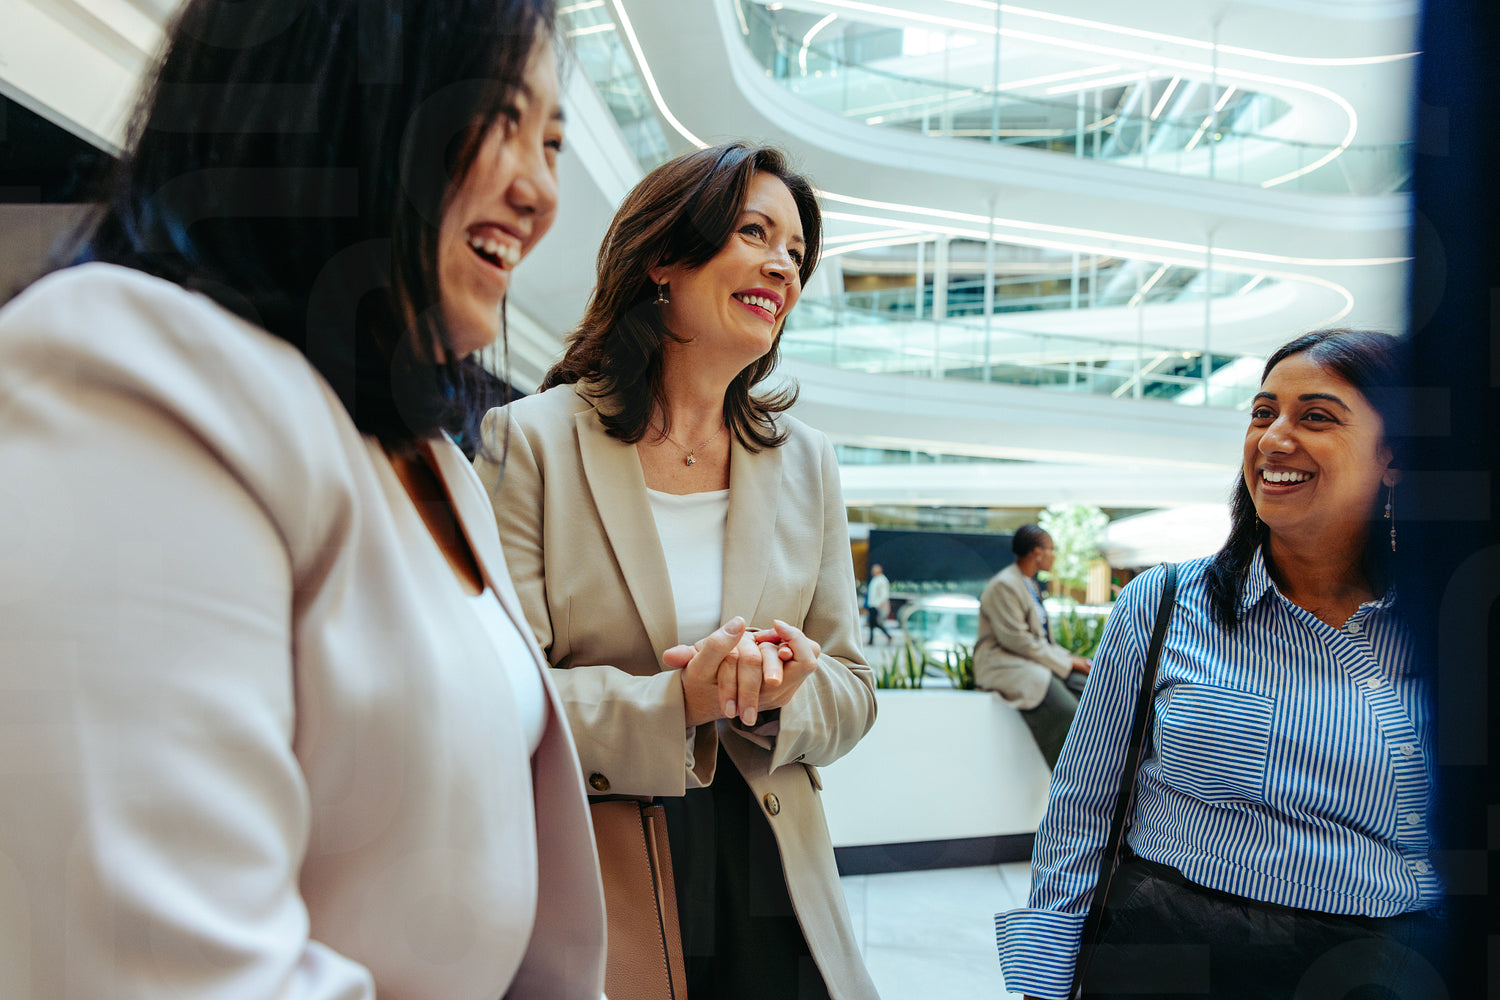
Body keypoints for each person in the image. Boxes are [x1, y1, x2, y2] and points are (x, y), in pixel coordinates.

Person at [0, 2, 609, 997]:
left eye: (552, 141)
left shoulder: (432, 464)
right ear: (343, 94)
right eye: (501, 114)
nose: (541, 192)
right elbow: (166, 967)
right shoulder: (137, 372)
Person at [475, 142, 880, 1000]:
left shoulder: (808, 462)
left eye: (796, 251)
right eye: (754, 232)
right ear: (664, 257)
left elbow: (853, 688)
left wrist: (784, 694)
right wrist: (680, 703)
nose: (783, 265)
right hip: (604, 868)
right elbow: (493, 696)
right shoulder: (531, 441)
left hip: (775, 875)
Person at [997, 330, 1448, 1000]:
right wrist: (1048, 978)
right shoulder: (1164, 602)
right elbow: (1083, 803)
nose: (1273, 439)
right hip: (1164, 955)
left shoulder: (1443, 629)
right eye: (1263, 413)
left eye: (1316, 417)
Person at [973, 525, 1091, 768]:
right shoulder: (1004, 585)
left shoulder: (1029, 584)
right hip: (1003, 663)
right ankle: (1066, 777)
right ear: (1037, 552)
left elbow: (1043, 640)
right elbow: (1018, 641)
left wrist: (1074, 661)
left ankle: (1097, 768)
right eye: (1051, 549)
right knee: (1067, 711)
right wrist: (1069, 662)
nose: (1054, 556)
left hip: (1027, 659)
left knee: (1088, 691)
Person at [865, 563, 893, 644]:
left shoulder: (882, 580)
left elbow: (884, 594)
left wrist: (879, 603)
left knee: (874, 623)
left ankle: (873, 639)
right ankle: (873, 639)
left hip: (877, 605)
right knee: (872, 623)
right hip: (872, 604)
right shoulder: (875, 579)